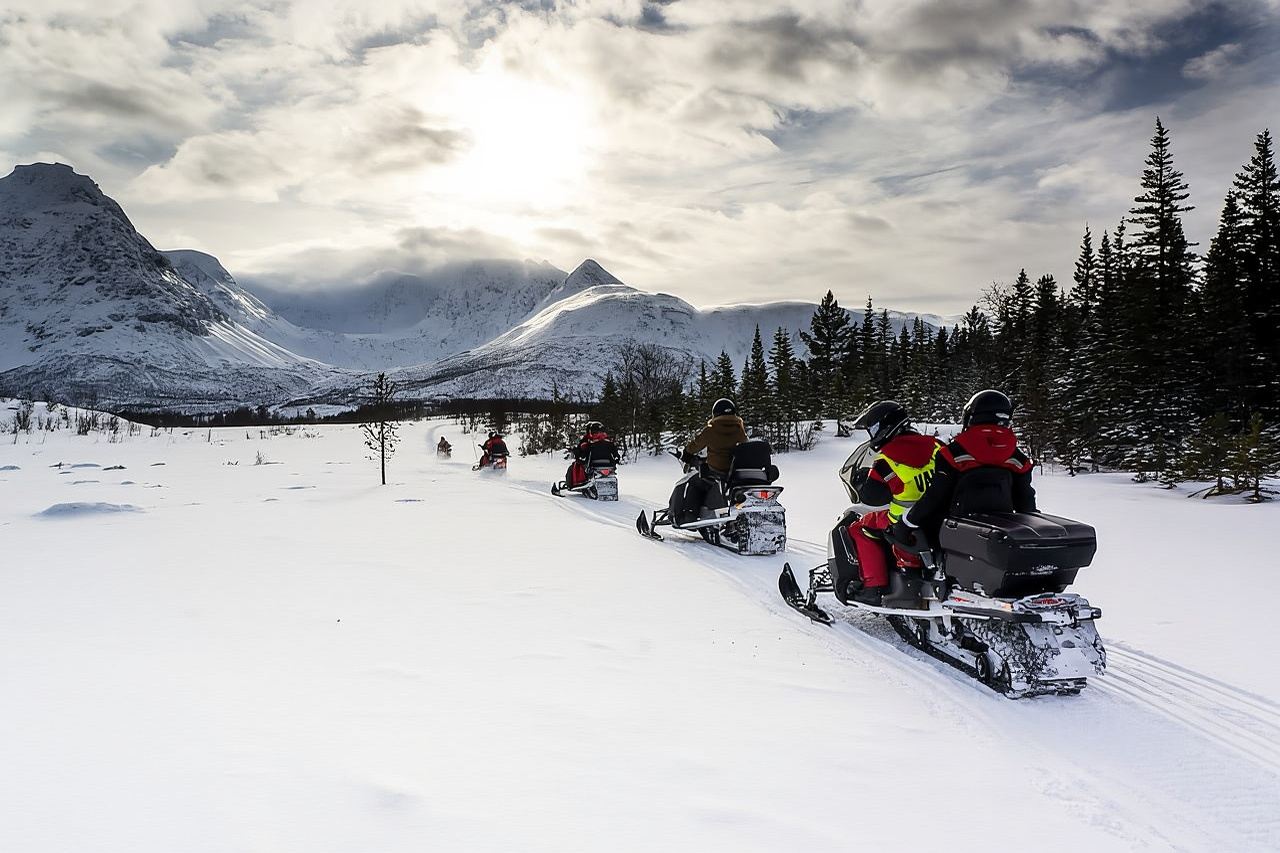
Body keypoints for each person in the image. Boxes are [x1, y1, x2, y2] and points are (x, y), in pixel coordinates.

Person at [840, 400, 944, 605]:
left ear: (884, 428)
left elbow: (871, 496)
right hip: (940, 519)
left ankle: (873, 586)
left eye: (873, 429)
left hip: (903, 523)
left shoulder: (888, 460)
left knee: (859, 528)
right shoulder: (936, 447)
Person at [900, 389, 1036, 546]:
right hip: (1001, 531)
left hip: (954, 528)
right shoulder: (1017, 458)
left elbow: (935, 495)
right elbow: (1025, 500)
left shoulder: (952, 454)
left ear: (972, 418)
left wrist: (908, 521)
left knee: (905, 538)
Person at [682, 398, 748, 475]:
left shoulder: (710, 430)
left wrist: (687, 451)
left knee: (697, 479)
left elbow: (696, 445)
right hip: (735, 470)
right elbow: (745, 444)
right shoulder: (739, 429)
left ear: (715, 413)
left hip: (716, 470)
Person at [564, 421, 620, 488]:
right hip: (608, 465)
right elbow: (615, 454)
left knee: (574, 466)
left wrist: (577, 452)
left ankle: (573, 485)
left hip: (593, 464)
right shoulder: (608, 441)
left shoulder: (589, 442)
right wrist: (616, 459)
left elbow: (583, 454)